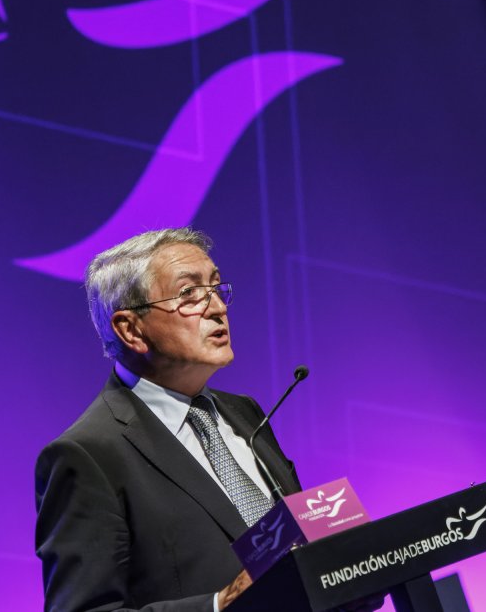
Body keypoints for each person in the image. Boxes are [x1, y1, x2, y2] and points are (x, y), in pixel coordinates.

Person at [34, 228, 379, 612]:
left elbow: (296, 555)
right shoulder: (87, 454)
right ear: (130, 329)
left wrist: (348, 570)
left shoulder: (245, 414)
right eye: (189, 294)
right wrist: (217, 606)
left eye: (216, 287)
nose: (217, 307)